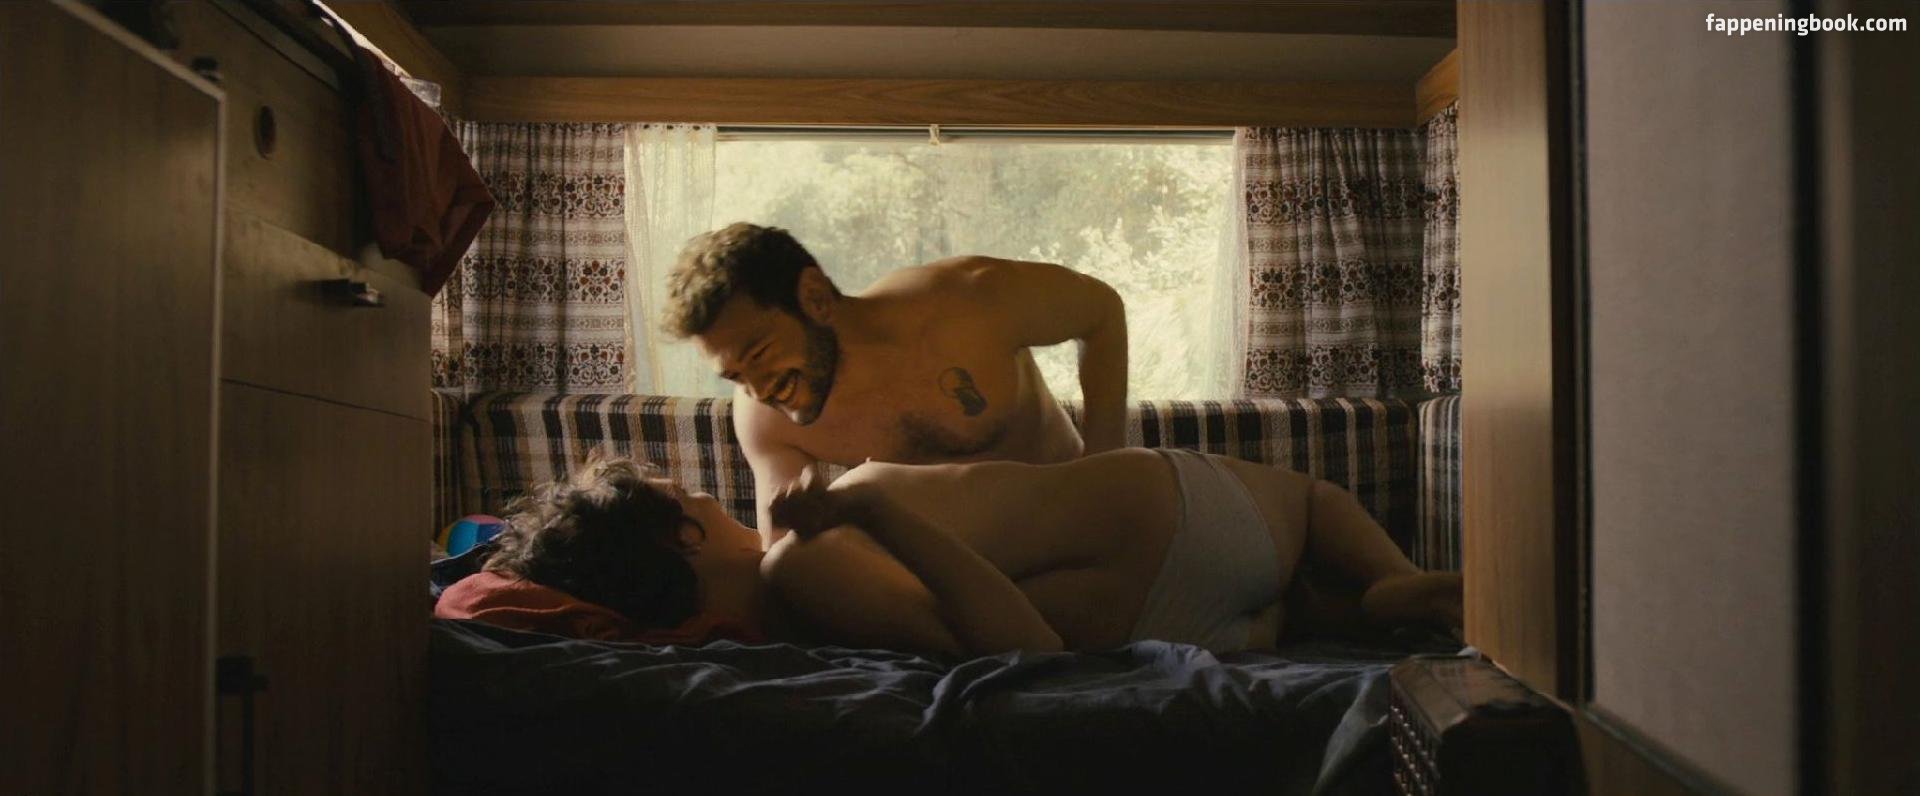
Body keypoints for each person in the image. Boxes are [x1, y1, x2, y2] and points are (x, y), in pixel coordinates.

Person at [456, 450, 1463, 658]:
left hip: (1189, 620)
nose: (701, 491)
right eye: (683, 495)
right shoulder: (797, 561)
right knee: (1312, 501)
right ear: (676, 534)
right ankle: (1390, 582)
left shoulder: (786, 617)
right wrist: (870, 509)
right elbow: (1027, 653)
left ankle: (1370, 602)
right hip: (1190, 517)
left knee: (1301, 601)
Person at [662, 223, 1129, 548]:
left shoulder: (969, 301)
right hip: (949, 579)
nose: (760, 390)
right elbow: (783, 549)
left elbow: (1102, 311)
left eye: (760, 354)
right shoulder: (763, 418)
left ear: (815, 298)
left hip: (1071, 535)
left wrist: (1102, 470)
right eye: (735, 376)